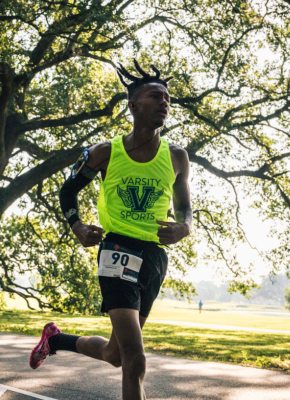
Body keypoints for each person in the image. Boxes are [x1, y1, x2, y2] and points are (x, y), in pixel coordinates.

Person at [29, 60, 192, 400]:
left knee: (115, 355)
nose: (165, 102)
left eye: (168, 98)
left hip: (155, 257)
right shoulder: (104, 152)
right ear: (133, 105)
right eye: (155, 96)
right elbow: (67, 191)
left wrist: (184, 227)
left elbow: (185, 209)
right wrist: (76, 226)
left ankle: (55, 339)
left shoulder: (177, 156)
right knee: (136, 357)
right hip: (117, 250)